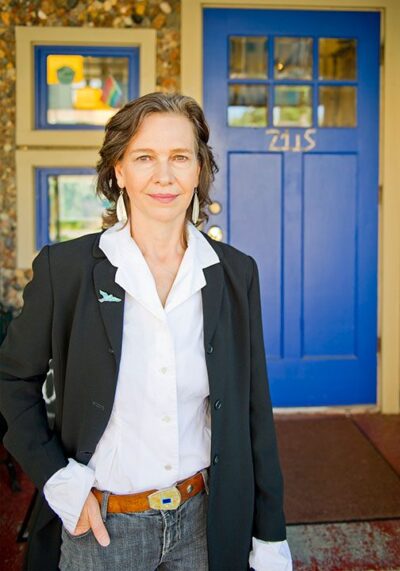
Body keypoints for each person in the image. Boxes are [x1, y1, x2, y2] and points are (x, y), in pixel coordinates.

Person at [0, 92, 292, 571]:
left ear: (199, 170)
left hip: (206, 522)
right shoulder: (66, 269)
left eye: (180, 157)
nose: (164, 175)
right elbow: (11, 382)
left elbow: (254, 408)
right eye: (144, 157)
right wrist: (59, 480)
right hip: (102, 527)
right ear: (118, 171)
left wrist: (270, 533)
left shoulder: (236, 273)